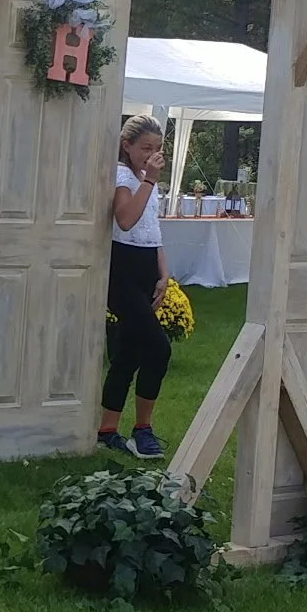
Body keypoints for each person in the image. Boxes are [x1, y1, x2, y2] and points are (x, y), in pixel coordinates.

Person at [99, 115, 172, 458]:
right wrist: (150, 181)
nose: (152, 154)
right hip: (123, 271)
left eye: (157, 148)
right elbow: (126, 220)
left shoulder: (145, 179)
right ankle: (143, 428)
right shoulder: (122, 176)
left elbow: (150, 225)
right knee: (158, 347)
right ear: (126, 146)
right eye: (145, 147)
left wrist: (163, 269)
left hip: (145, 268)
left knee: (127, 353)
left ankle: (107, 428)